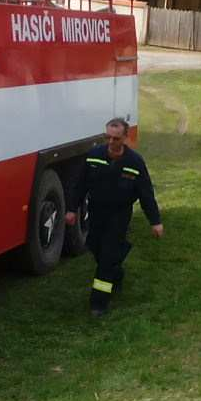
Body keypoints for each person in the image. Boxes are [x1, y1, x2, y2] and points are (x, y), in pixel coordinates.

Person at [66, 118, 163, 318]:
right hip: (96, 211)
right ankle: (116, 272)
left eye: (116, 138)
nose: (111, 142)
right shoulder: (94, 157)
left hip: (119, 215)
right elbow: (80, 185)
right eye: (107, 137)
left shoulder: (135, 163)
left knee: (107, 258)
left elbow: (146, 194)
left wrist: (155, 222)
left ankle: (98, 303)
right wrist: (71, 209)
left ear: (125, 138)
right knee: (95, 247)